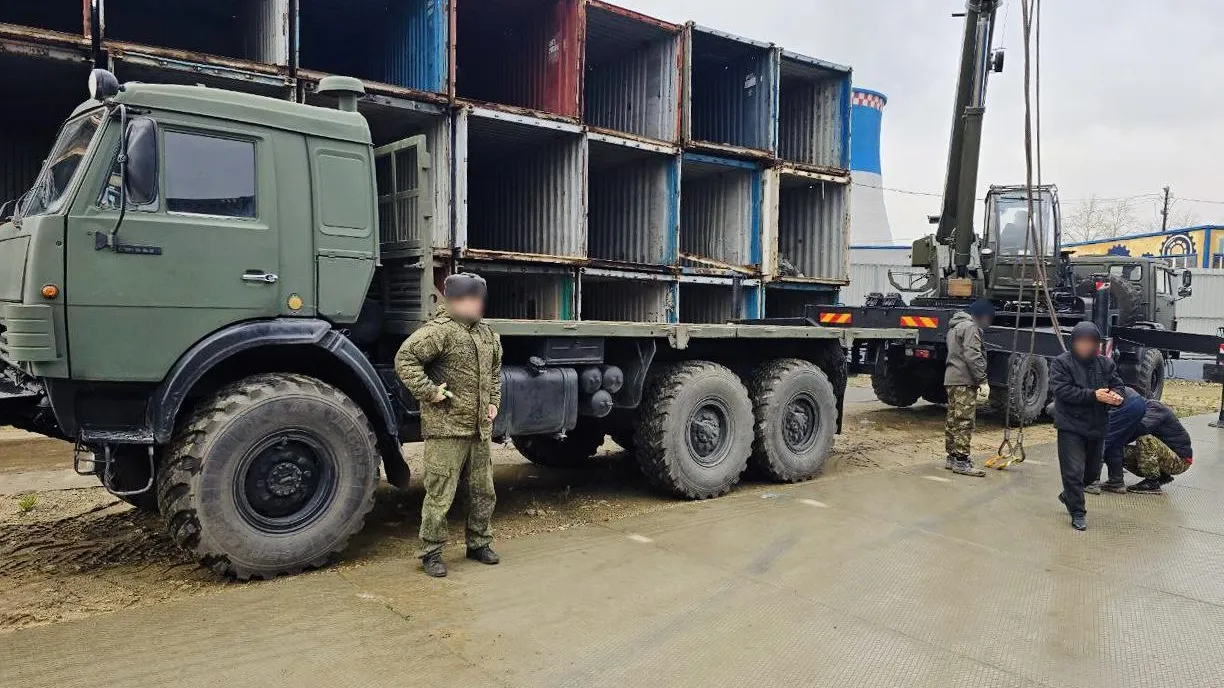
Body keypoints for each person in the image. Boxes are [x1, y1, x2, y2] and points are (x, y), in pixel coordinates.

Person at [395, 273, 503, 578]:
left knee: (483, 491)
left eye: (480, 298)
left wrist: (494, 401)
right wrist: (430, 392)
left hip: (479, 429)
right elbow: (405, 360)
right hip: (446, 428)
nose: (479, 304)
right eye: (473, 298)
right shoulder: (438, 332)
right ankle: (431, 552)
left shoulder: (486, 334)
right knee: (440, 493)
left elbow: (495, 372)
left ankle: (479, 543)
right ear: (456, 300)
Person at [1049, 322, 1126, 530]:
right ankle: (1078, 512)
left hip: (1097, 425)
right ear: (1073, 342)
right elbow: (1062, 391)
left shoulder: (1105, 364)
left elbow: (1117, 384)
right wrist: (1093, 395)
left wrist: (1118, 395)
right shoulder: (1061, 363)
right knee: (1073, 472)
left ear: (1096, 344)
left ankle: (1069, 495)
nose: (1085, 346)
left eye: (1090, 342)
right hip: (1070, 425)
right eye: (1081, 342)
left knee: (1091, 474)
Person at [1101, 389, 1193, 494]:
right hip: (1166, 456)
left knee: (1145, 440)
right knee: (1117, 449)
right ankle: (1161, 476)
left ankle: (1152, 482)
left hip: (1181, 460)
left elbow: (1139, 430)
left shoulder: (1155, 408)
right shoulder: (1145, 409)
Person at [943, 299, 995, 477]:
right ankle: (962, 461)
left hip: (951, 379)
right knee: (965, 421)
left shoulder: (954, 326)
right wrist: (982, 380)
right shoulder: (970, 328)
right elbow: (973, 355)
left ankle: (952, 457)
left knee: (952, 420)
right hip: (964, 380)